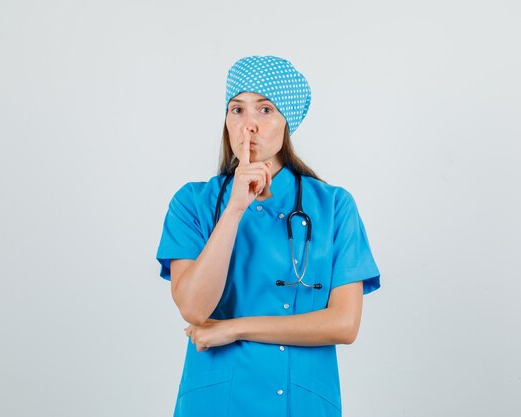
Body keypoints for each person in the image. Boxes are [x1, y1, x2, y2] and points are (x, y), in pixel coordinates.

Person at [155, 55, 380, 417]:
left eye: (264, 110)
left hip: (300, 402)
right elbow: (195, 309)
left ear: (286, 122)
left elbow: (344, 324)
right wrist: (234, 209)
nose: (249, 126)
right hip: (215, 403)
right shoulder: (194, 203)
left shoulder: (334, 206)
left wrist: (234, 329)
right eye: (237, 110)